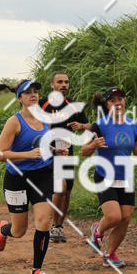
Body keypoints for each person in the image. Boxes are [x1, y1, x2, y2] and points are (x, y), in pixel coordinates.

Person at [0, 79, 64, 274]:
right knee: (19, 231)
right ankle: (4, 229)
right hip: (16, 178)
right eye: (27, 93)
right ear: (20, 99)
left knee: (43, 221)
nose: (33, 95)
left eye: (35, 92)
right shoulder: (14, 122)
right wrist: (27, 155)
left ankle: (37, 270)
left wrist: (56, 150)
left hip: (42, 175)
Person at [81, 86, 137, 268]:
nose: (118, 103)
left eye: (120, 99)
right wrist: (93, 145)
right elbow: (84, 151)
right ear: (107, 104)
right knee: (114, 217)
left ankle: (110, 254)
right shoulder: (99, 125)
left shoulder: (132, 125)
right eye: (113, 100)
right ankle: (97, 230)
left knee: (126, 217)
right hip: (105, 175)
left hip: (125, 177)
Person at [40, 70, 90, 243]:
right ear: (52, 85)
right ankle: (52, 225)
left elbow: (91, 126)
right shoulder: (43, 104)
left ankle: (59, 227)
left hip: (67, 153)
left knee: (67, 191)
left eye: (66, 82)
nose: (63, 85)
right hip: (49, 153)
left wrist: (81, 125)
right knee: (59, 187)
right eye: (60, 82)